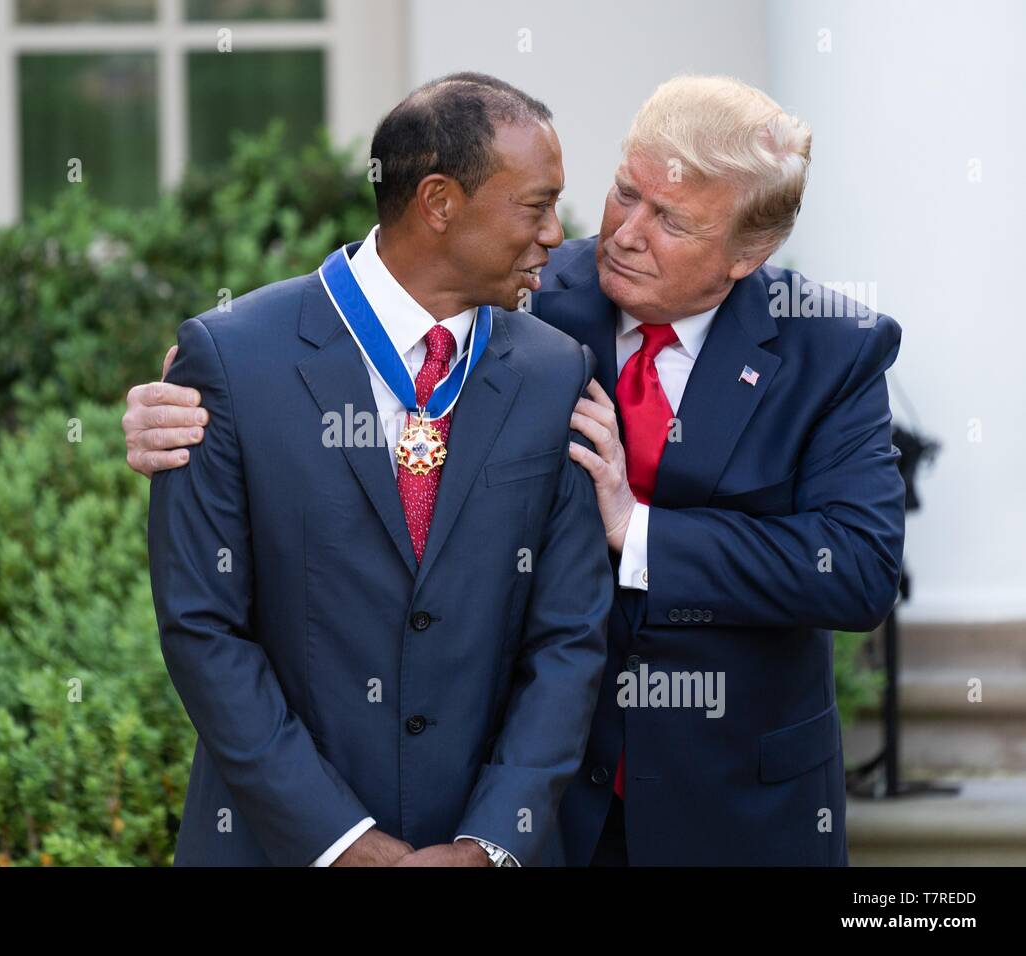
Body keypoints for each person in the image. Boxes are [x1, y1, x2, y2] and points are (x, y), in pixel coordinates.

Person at [129, 74, 905, 866]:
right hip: (548, 812)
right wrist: (186, 397)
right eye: (624, 192)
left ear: (750, 251)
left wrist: (639, 533)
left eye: (670, 219)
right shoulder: (534, 290)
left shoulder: (832, 349)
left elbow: (860, 568)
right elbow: (364, 300)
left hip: (735, 805)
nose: (624, 234)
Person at [147, 73, 612, 867]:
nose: (555, 235)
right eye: (535, 205)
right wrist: (344, 843)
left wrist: (490, 842)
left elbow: (568, 639)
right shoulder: (230, 361)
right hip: (277, 846)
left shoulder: (554, 372)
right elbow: (203, 628)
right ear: (438, 202)